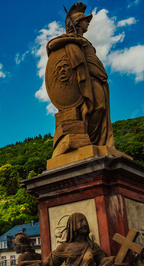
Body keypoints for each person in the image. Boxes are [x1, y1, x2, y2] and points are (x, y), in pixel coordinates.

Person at [46, 2, 114, 155]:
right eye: (85, 21)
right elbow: (51, 45)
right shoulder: (69, 39)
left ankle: (96, 142)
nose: (87, 24)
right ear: (77, 23)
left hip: (98, 79)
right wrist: (75, 40)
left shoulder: (86, 41)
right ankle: (88, 139)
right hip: (85, 81)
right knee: (97, 107)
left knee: (101, 110)